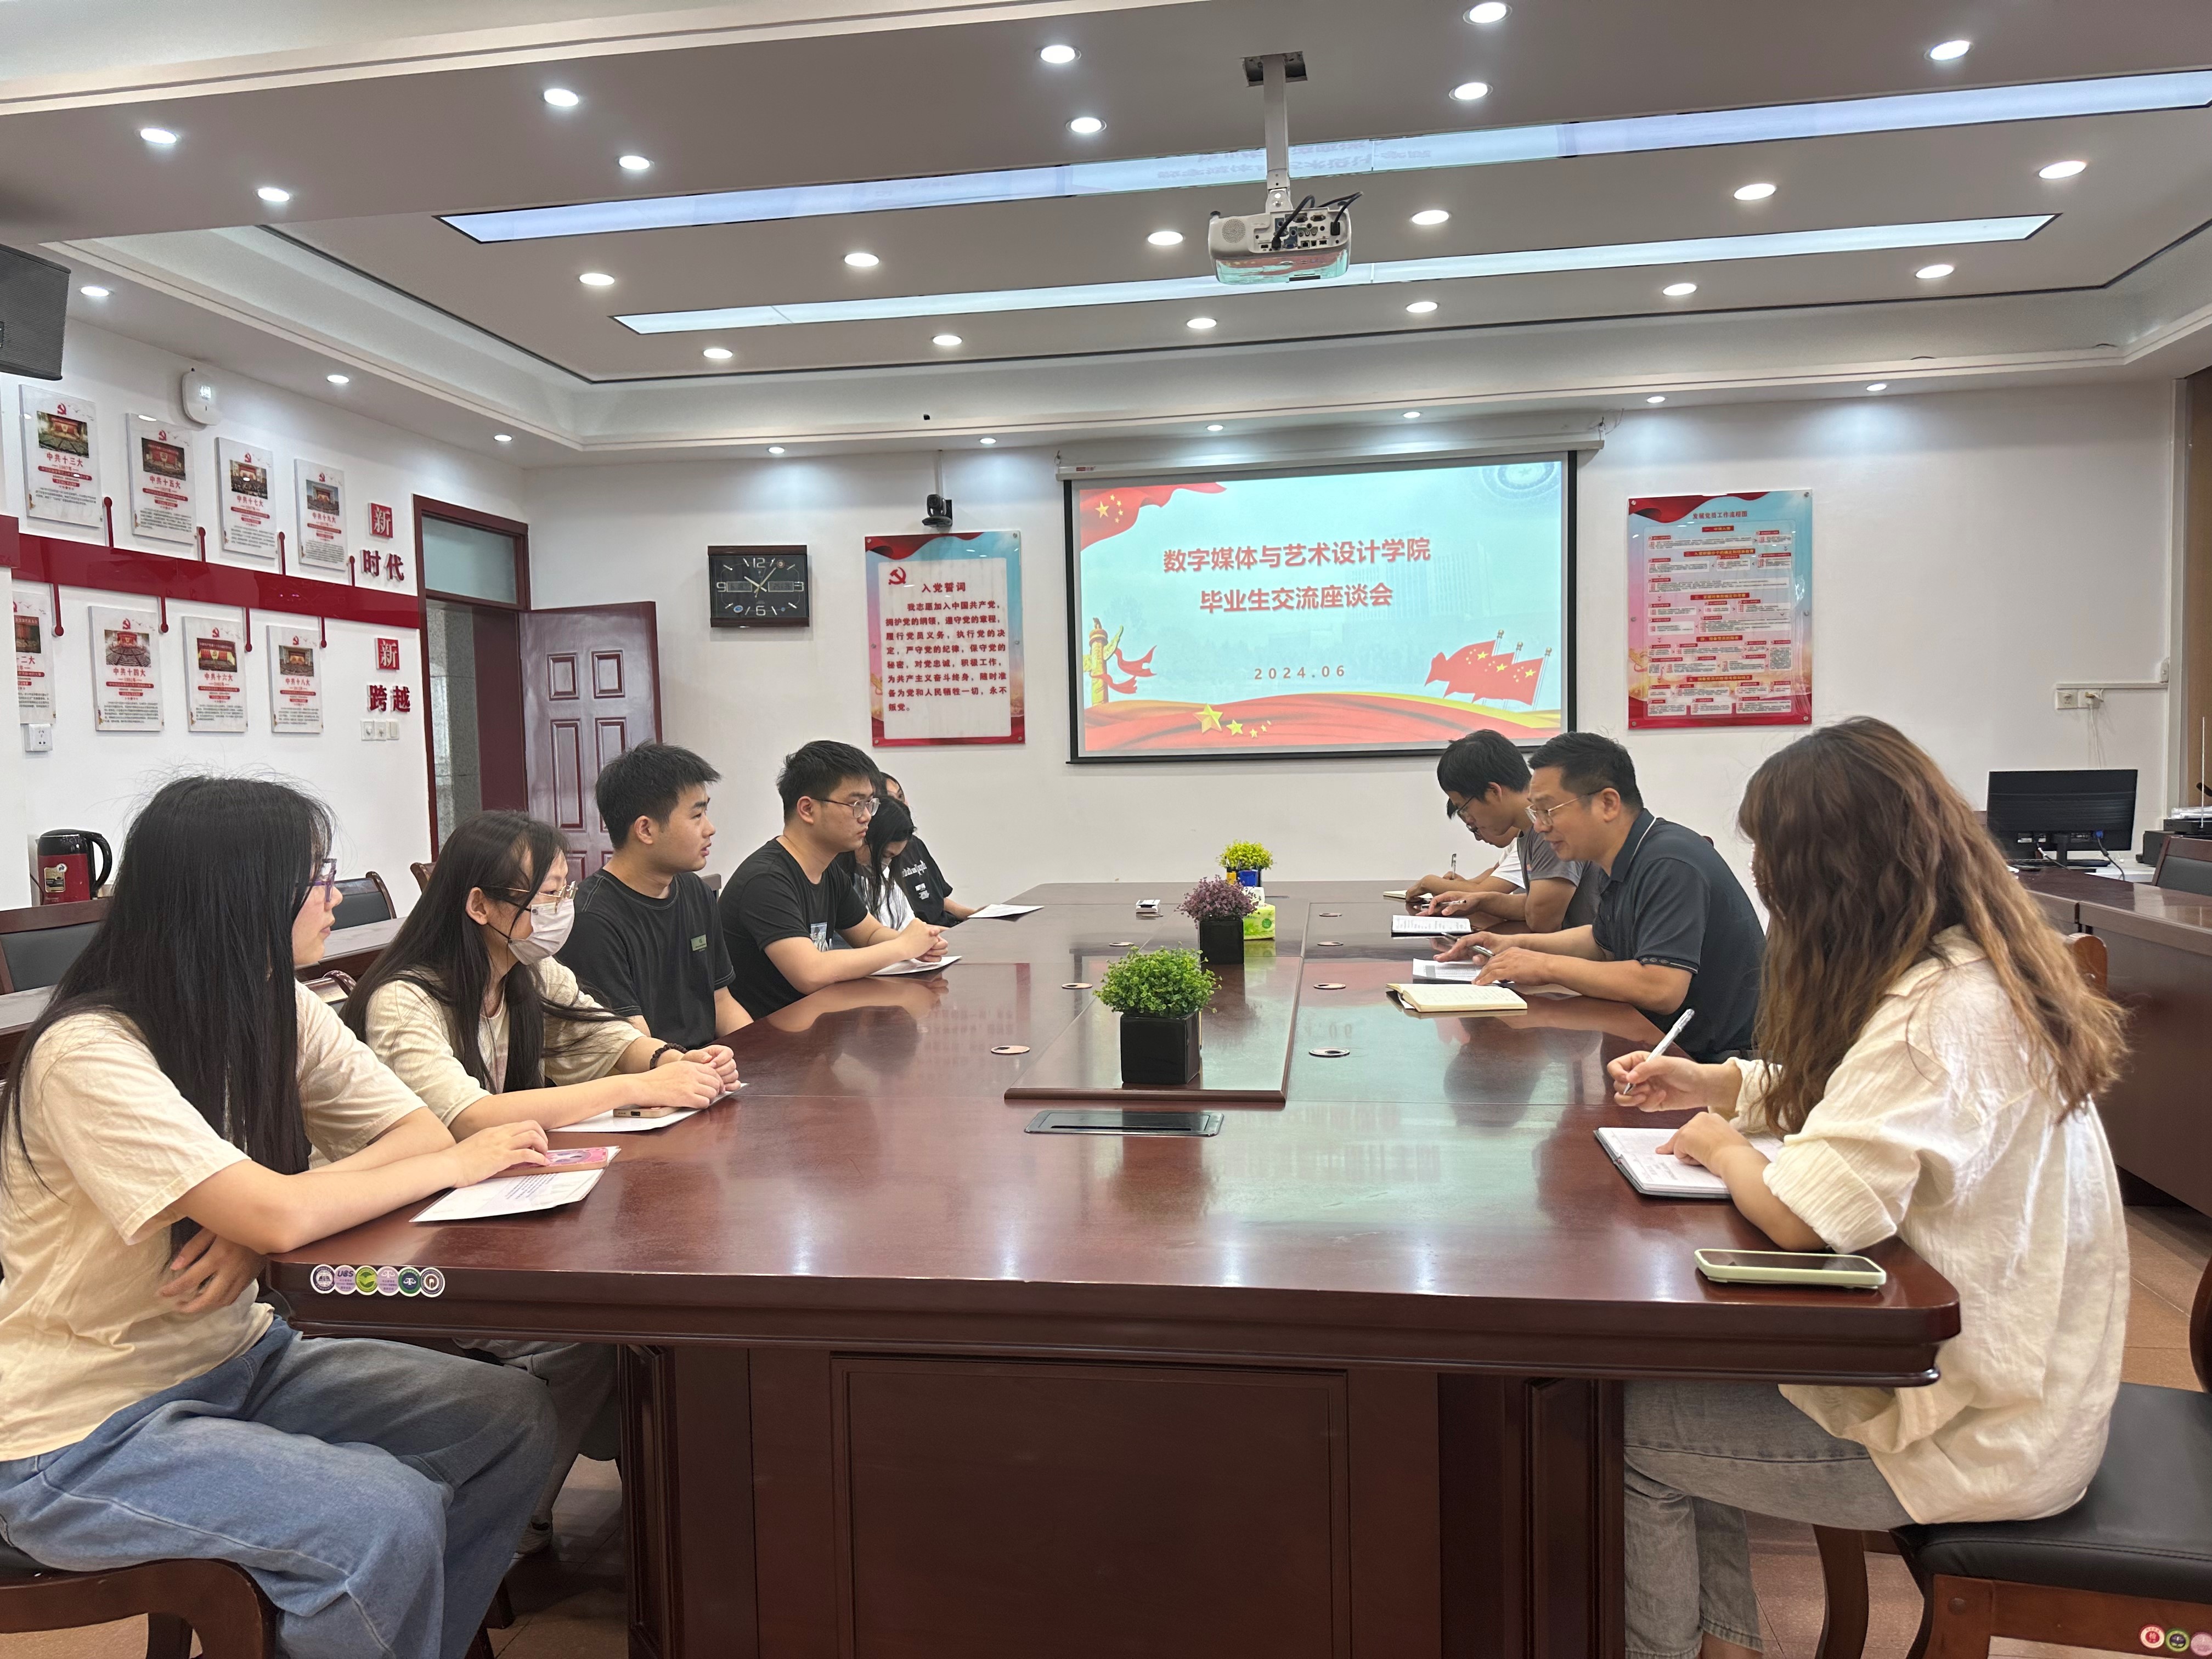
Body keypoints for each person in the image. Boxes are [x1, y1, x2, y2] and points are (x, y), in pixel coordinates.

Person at [1602, 718, 2129, 1659]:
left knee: (1630, 1433)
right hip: (2021, 1392)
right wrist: (1719, 1083)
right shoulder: (1972, 970)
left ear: (1828, 877)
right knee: (1676, 1386)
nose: (1764, 883)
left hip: (1987, 1436)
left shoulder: (1939, 1014)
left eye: (1771, 860)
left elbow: (1803, 1217)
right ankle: (1724, 1644)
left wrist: (1721, 1145)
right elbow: (1864, 1103)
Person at [0, 777, 557, 1659]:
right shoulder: (89, 1051)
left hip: (241, 1360)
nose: (333, 895)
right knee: (382, 1515)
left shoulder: (278, 1001)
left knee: (512, 1416)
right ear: (244, 895)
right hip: (81, 1434)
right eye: (316, 877)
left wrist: (260, 1213)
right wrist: (279, 1209)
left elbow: (410, 1133)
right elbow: (327, 1192)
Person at [345, 810, 734, 1552]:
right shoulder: (406, 999)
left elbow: (604, 1034)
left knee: (633, 1303)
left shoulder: (526, 972)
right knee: (591, 1333)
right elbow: (468, 1118)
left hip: (478, 1213)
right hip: (391, 1246)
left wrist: (669, 1063)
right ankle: (505, 1523)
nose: (559, 911)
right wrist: (633, 1088)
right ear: (479, 905)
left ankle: (643, 1504)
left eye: (564, 891)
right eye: (546, 896)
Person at [1443, 731, 1764, 1061]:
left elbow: (1661, 987)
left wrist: (1546, 966)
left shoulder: (1669, 863)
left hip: (1717, 1063)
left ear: (1608, 803)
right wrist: (1512, 944)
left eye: (1549, 810)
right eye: (1536, 813)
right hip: (1659, 1046)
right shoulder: (1624, 857)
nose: (1539, 826)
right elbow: (1601, 943)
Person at [720, 741, 946, 1017]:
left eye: (870, 804)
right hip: (768, 1033)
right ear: (807, 809)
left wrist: (920, 943)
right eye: (856, 804)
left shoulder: (827, 871)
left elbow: (870, 934)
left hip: (816, 1023)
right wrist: (902, 947)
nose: (867, 817)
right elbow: (810, 973)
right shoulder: (766, 880)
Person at [558, 743, 752, 1049]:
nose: (710, 829)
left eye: (706, 812)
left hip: (706, 1066)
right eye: (697, 815)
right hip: (653, 1070)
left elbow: (721, 1001)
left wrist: (765, 1057)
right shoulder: (591, 919)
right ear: (645, 830)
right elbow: (632, 1043)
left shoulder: (696, 891)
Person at [1412, 729, 1604, 932]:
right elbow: (1532, 905)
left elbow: (1542, 920)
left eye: (1465, 808)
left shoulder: (1549, 826)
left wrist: (1482, 900)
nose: (1469, 820)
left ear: (1493, 791)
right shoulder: (1527, 832)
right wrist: (1479, 901)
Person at [878, 774, 976, 924]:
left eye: (901, 797)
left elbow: (939, 900)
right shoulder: (879, 859)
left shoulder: (915, 844)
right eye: (892, 800)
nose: (902, 805)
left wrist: (975, 914)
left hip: (946, 926)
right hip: (925, 932)